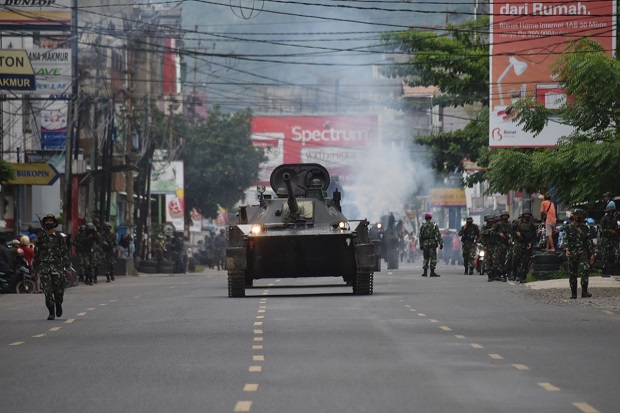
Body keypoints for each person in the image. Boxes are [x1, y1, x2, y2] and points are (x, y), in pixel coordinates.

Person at [32, 214, 71, 320]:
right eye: (47, 221)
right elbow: (36, 255)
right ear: (44, 223)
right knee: (47, 291)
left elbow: (65, 254)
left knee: (59, 291)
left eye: (50, 221)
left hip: (57, 268)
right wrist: (34, 270)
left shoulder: (58, 237)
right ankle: (51, 312)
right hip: (45, 268)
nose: (49, 222)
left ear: (54, 223)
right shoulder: (41, 238)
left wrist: (67, 268)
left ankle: (58, 304)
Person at [564, 208, 595, 299]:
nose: (579, 217)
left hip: (583, 253)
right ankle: (574, 293)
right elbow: (566, 239)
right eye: (578, 215)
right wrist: (567, 249)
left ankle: (584, 291)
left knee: (585, 270)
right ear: (574, 216)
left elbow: (589, 241)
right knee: (572, 273)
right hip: (573, 253)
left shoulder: (585, 228)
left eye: (581, 216)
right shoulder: (569, 227)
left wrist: (592, 254)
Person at [510, 209, 537, 283]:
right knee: (516, 258)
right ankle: (513, 273)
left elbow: (534, 236)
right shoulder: (517, 223)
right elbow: (511, 230)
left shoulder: (531, 225)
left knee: (525, 261)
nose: (526, 216)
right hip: (518, 243)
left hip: (526, 244)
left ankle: (522, 276)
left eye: (528, 215)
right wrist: (516, 233)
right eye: (525, 215)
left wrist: (530, 243)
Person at [418, 212, 443, 277]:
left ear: (425, 218)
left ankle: (425, 272)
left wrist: (420, 244)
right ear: (431, 218)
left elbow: (420, 236)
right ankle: (432, 272)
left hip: (425, 243)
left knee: (426, 257)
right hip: (432, 243)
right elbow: (438, 235)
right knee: (433, 257)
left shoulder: (423, 226)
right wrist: (441, 243)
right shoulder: (434, 225)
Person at [599, 204, 618, 277]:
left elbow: (616, 228)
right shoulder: (604, 218)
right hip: (606, 239)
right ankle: (604, 271)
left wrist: (616, 230)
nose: (611, 212)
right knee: (604, 255)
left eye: (612, 211)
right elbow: (601, 229)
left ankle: (616, 270)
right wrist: (609, 230)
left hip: (613, 239)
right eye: (610, 211)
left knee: (617, 253)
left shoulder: (614, 219)